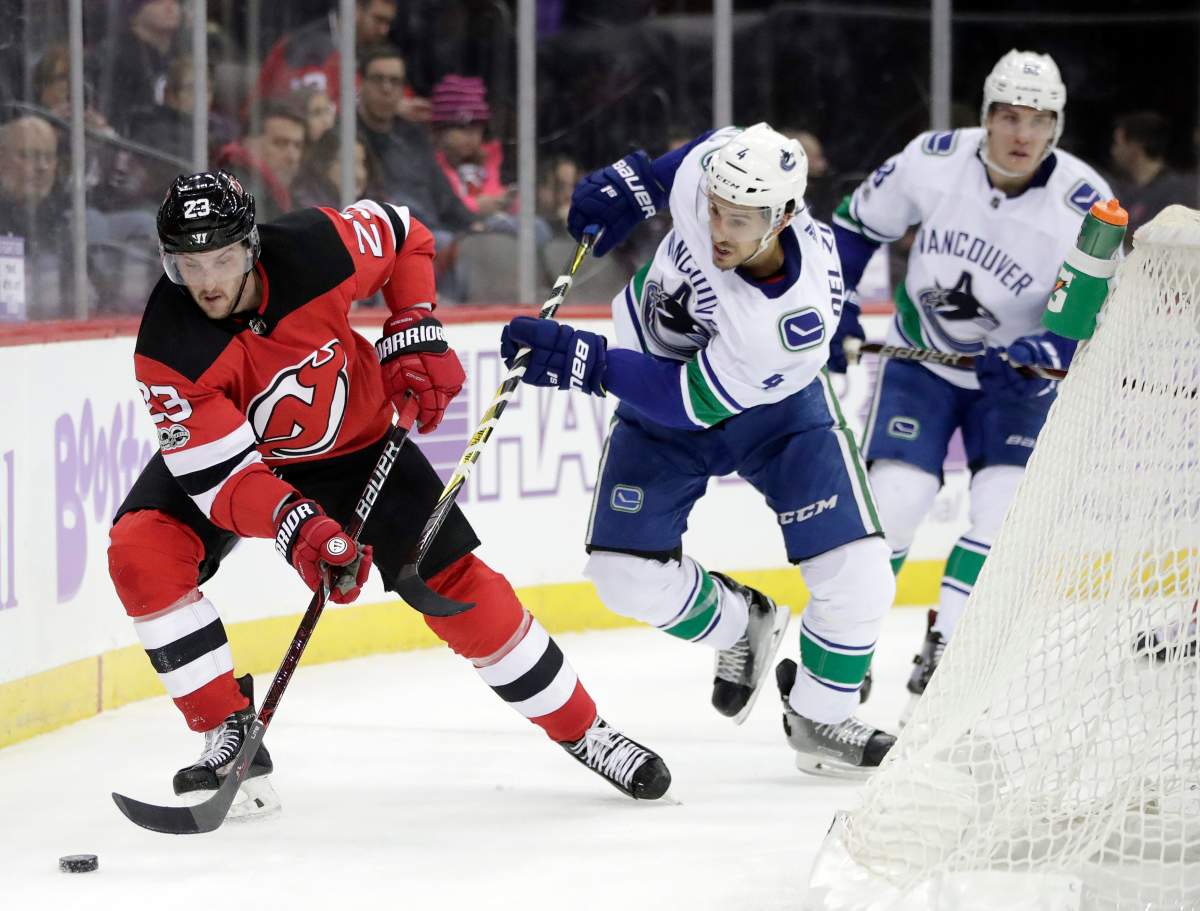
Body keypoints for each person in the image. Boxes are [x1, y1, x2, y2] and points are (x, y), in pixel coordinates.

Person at [105, 171, 671, 816]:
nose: (206, 281)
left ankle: (586, 730)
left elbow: (407, 234)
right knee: (141, 550)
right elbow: (224, 484)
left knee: (461, 585)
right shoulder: (168, 347)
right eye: (188, 264)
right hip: (244, 462)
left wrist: (413, 322)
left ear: (251, 245)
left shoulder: (317, 247)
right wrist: (301, 528)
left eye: (223, 258)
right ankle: (227, 733)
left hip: (359, 446)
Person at [499, 123, 898, 777]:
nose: (717, 228)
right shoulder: (721, 181)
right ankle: (740, 625)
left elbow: (688, 401)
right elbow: (707, 150)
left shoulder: (785, 323)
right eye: (714, 209)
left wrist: (588, 362)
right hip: (664, 389)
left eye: (739, 221)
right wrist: (636, 180)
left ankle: (821, 714)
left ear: (784, 216)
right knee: (621, 576)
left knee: (860, 573)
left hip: (773, 413)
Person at [828, 50, 1115, 720]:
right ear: (985, 116)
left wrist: (1050, 344)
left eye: (1039, 120)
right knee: (896, 499)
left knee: (1004, 508)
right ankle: (849, 648)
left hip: (1014, 383)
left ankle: (948, 652)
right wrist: (838, 302)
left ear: (1057, 126)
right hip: (921, 362)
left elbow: (1096, 305)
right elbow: (853, 225)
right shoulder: (932, 160)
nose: (1022, 134)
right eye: (1009, 116)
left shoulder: (1086, 203)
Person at [429, 75, 512, 222]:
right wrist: (475, 206)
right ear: (440, 130)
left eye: (477, 128)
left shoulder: (490, 161)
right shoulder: (430, 166)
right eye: (462, 128)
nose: (472, 136)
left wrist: (508, 201)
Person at [1110, 111, 1197, 249]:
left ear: (1135, 146)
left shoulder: (1179, 194)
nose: (1113, 151)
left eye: (1117, 143)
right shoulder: (1124, 193)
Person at [216, 100, 307, 220]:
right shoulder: (236, 193)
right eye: (280, 143)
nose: (292, 157)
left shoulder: (287, 196)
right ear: (248, 143)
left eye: (298, 146)